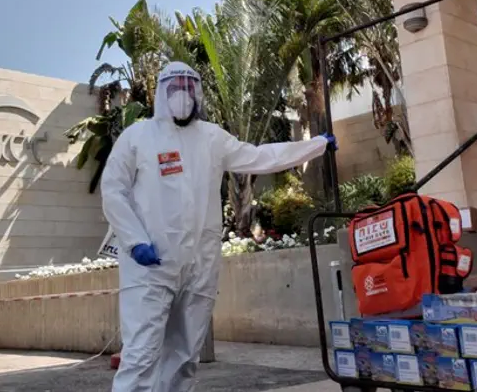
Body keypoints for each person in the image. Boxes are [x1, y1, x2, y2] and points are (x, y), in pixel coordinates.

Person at [101, 61, 338, 392]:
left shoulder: (212, 138)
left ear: (197, 93)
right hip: (149, 267)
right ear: (162, 94)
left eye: (188, 87)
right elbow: (113, 190)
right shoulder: (138, 137)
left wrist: (315, 146)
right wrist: (134, 240)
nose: (182, 95)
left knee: (185, 356)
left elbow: (260, 157)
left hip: (199, 265)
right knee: (141, 355)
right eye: (174, 88)